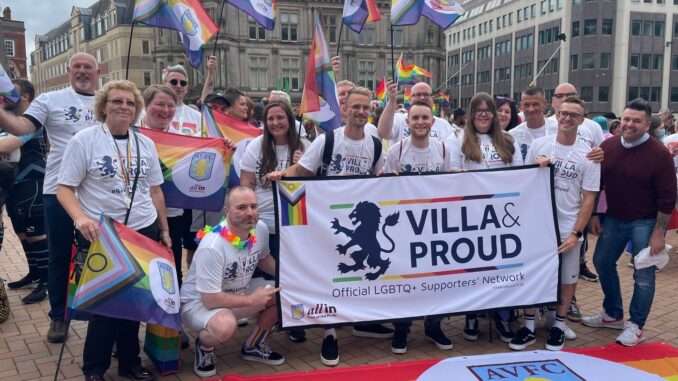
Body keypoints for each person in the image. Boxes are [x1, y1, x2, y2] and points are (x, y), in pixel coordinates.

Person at [56, 80, 170, 381]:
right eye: (117, 101)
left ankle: (130, 363)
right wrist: (80, 218)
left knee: (135, 303)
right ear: (104, 106)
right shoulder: (85, 140)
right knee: (105, 306)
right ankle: (94, 368)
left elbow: (156, 190)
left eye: (130, 103)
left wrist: (164, 229)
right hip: (103, 233)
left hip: (141, 231)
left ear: (137, 110)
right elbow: (64, 188)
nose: (124, 107)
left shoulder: (145, 143)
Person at [268, 87, 385, 366]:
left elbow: (380, 179)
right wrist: (282, 175)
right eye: (355, 107)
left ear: (370, 111)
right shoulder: (328, 141)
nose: (360, 112)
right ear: (344, 110)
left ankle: (360, 321)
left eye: (365, 108)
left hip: (357, 220)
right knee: (329, 275)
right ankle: (329, 332)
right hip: (328, 221)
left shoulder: (376, 144)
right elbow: (303, 171)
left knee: (356, 274)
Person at [0, 52, 100, 343]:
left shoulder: (108, 101)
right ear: (69, 71)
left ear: (97, 72)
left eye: (88, 67)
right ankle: (59, 317)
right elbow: (20, 128)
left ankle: (101, 316)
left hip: (97, 194)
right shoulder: (50, 100)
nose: (82, 71)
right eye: (77, 67)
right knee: (58, 256)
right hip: (58, 190)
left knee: (99, 257)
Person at [582, 98, 677, 347]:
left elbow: (668, 197)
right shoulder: (608, 146)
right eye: (626, 119)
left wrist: (659, 233)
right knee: (601, 261)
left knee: (643, 275)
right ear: (619, 121)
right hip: (614, 217)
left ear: (647, 124)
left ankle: (636, 326)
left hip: (645, 222)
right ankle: (613, 314)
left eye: (636, 121)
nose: (629, 124)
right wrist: (593, 215)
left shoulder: (659, 154)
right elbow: (597, 182)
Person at [513, 97, 599, 351]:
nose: (567, 118)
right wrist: (538, 169)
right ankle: (529, 325)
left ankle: (558, 325)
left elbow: (589, 198)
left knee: (567, 279)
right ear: (556, 114)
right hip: (538, 225)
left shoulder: (590, 155)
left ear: (582, 120)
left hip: (568, 226)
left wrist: (576, 232)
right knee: (533, 275)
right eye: (563, 113)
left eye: (574, 115)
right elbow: (523, 183)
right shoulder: (540, 144)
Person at [180, 186, 284, 377]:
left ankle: (253, 346)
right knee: (225, 326)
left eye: (254, 206)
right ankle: (205, 347)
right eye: (242, 207)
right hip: (198, 303)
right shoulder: (213, 245)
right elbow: (210, 299)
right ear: (227, 211)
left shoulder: (259, 229)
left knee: (283, 293)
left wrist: (286, 276)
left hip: (237, 291)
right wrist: (252, 300)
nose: (249, 213)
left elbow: (263, 258)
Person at [448, 92, 523, 343]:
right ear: (470, 114)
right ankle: (471, 315)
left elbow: (521, 176)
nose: (483, 114)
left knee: (502, 268)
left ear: (494, 114)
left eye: (488, 110)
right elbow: (450, 176)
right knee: (472, 268)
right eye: (478, 110)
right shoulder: (458, 140)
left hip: (502, 217)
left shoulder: (508, 140)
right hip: (471, 217)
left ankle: (503, 317)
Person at [381, 97, 452, 354]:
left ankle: (433, 325)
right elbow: (385, 190)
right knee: (405, 278)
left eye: (425, 117)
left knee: (435, 280)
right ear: (407, 122)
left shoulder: (443, 149)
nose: (420, 122)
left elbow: (448, 186)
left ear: (432, 121)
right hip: (404, 228)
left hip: (433, 227)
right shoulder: (396, 151)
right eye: (415, 118)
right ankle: (402, 327)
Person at [240, 100, 309, 341]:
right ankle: (266, 322)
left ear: (290, 120)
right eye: (270, 119)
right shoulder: (256, 146)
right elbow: (246, 182)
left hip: (294, 220)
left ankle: (294, 319)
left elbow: (315, 183)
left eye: (280, 118)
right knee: (272, 275)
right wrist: (249, 214)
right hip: (264, 221)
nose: (275, 123)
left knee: (295, 272)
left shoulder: (304, 145)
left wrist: (302, 165)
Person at [0, 79, 48, 304]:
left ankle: (47, 283)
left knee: (36, 233)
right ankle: (35, 272)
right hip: (15, 184)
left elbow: (5, 146)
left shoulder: (32, 121)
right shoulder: (10, 121)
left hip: (31, 181)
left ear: (26, 96)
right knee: (21, 233)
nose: (5, 97)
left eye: (11, 94)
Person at [378, 81, 453, 143]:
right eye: (418, 94)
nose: (422, 97)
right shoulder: (399, 119)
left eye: (426, 94)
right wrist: (391, 101)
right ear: (410, 100)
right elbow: (383, 133)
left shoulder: (444, 125)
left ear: (432, 99)